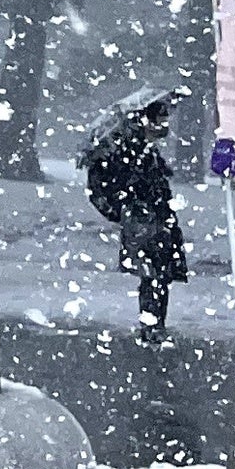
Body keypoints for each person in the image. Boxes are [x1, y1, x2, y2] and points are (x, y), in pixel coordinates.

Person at [83, 86, 189, 342]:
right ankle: (152, 325)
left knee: (158, 275)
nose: (164, 124)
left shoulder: (143, 148)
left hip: (155, 218)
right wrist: (126, 207)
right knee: (153, 274)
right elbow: (113, 185)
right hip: (144, 220)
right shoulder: (129, 149)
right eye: (160, 118)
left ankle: (154, 323)